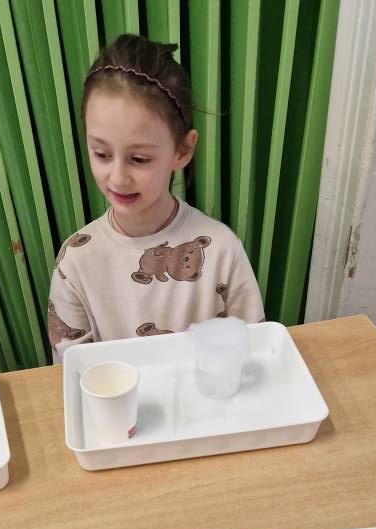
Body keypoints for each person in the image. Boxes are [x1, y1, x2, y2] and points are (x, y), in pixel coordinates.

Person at [48, 33, 265, 363]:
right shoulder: (76, 261)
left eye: (139, 159)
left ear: (183, 149)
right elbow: (72, 371)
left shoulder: (222, 250)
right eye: (102, 154)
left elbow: (254, 352)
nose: (118, 178)